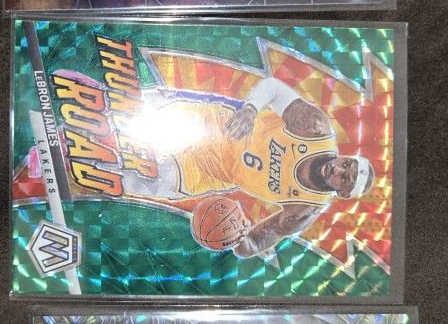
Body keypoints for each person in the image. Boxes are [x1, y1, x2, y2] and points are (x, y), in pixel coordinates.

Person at [112, 75, 375, 258]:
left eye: (346, 179)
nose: (339, 170)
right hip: (215, 124)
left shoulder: (305, 209)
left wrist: (235, 237)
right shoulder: (315, 129)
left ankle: (91, 170)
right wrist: (250, 109)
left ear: (342, 193)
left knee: (139, 182)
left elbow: (255, 243)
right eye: (347, 164)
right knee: (129, 108)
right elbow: (273, 88)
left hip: (210, 171)